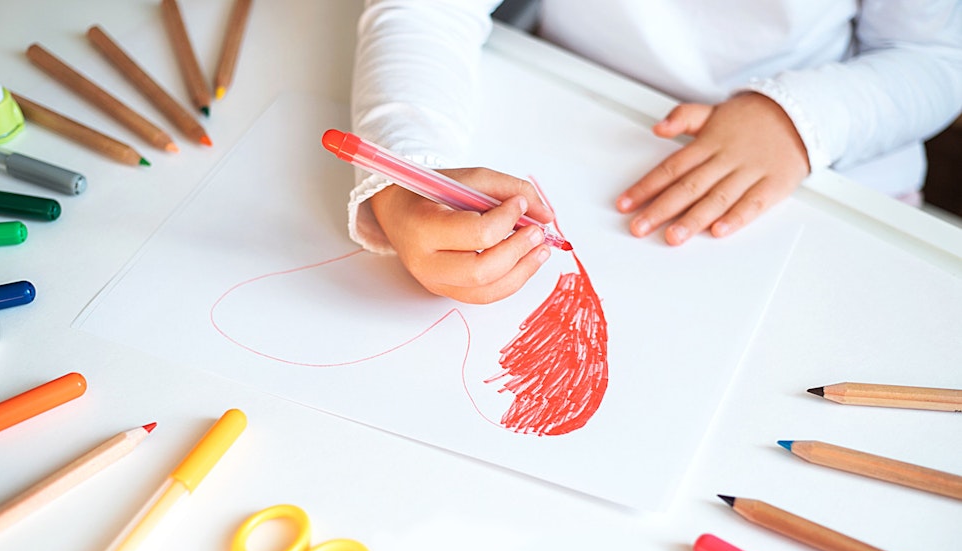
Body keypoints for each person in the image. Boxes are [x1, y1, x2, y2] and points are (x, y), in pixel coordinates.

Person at [345, 0, 962, 304]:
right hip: (567, 111)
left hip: (836, 181)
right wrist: (407, 173)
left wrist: (796, 118)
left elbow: (937, 60)